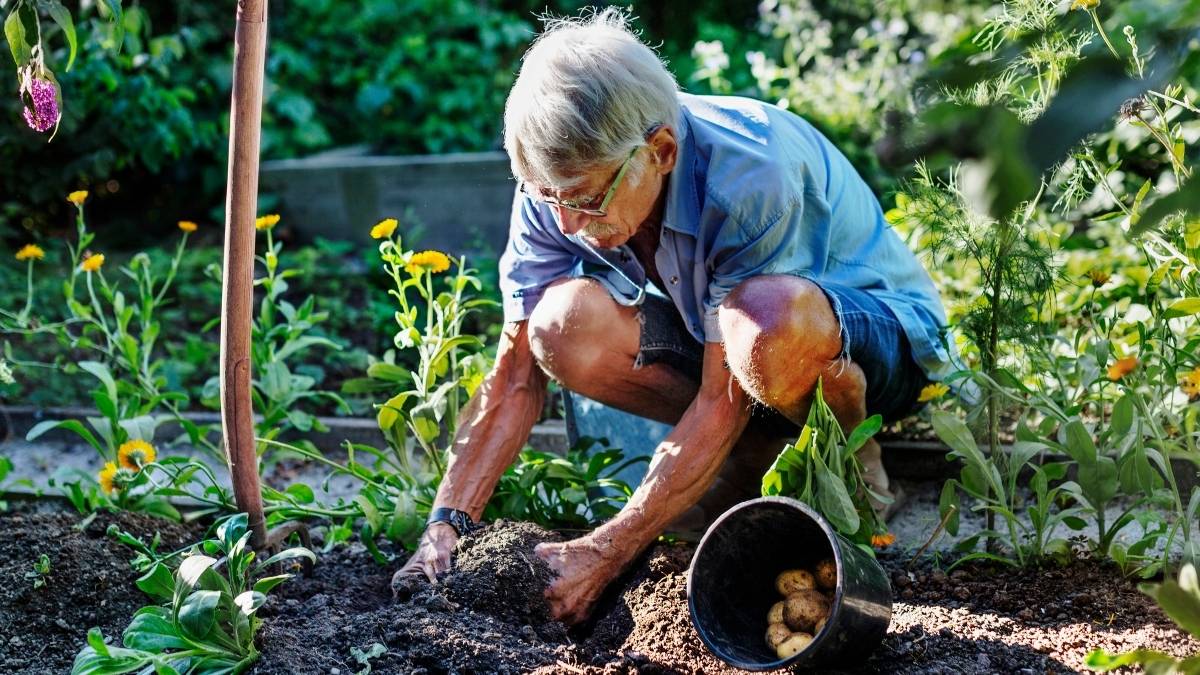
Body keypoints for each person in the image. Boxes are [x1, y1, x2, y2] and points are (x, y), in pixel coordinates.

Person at [393, 8, 950, 624]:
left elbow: (726, 391)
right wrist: (444, 529)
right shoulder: (557, 193)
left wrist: (607, 550)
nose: (567, 223)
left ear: (658, 150)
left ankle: (855, 465)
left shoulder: (749, 174)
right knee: (559, 325)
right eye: (549, 198)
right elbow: (516, 376)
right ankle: (755, 456)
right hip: (738, 359)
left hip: (879, 347)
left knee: (763, 319)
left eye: (584, 199)